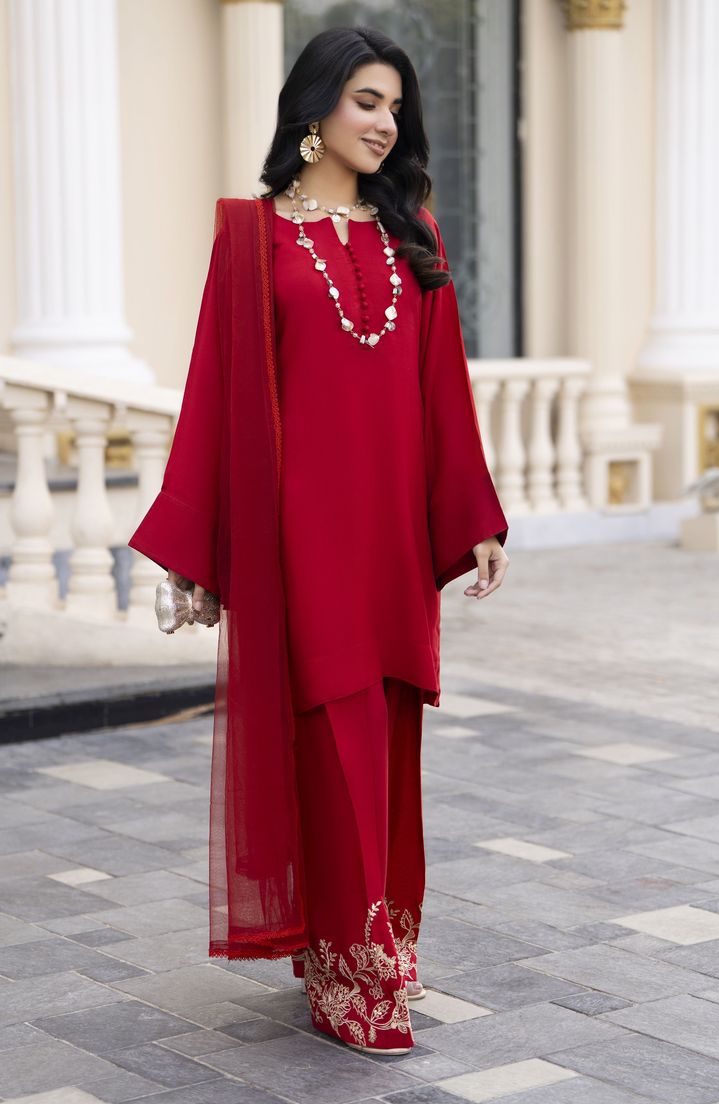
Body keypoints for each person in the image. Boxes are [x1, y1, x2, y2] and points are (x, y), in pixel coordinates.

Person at [128, 25, 509, 1057]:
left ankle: (369, 940)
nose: (385, 124)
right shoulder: (252, 236)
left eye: (396, 108)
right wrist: (201, 550)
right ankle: (354, 971)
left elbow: (442, 391)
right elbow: (215, 391)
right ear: (315, 108)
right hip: (301, 541)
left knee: (384, 748)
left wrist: (473, 517)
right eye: (366, 102)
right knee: (335, 741)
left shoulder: (411, 235)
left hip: (392, 538)